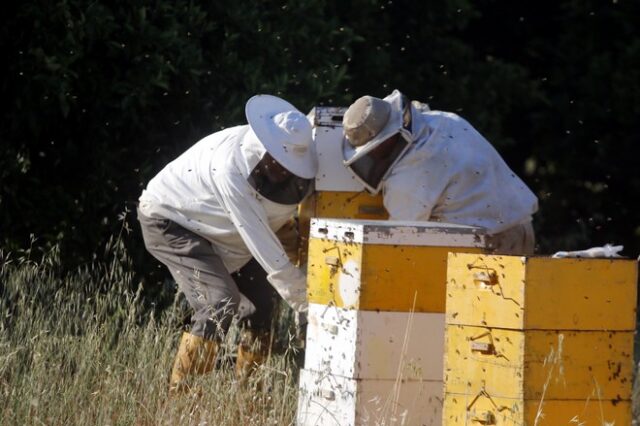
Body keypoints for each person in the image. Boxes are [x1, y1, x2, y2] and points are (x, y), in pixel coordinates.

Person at [137, 94, 315, 392]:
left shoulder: (294, 153)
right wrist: (305, 302)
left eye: (290, 166)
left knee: (263, 305)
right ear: (264, 148)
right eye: (278, 163)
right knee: (219, 301)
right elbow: (263, 244)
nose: (283, 171)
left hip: (228, 232)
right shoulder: (230, 169)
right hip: (173, 221)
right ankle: (183, 395)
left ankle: (247, 391)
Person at [341, 89, 538, 254]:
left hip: (489, 247)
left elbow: (399, 242)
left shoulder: (411, 175)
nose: (371, 156)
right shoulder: (444, 120)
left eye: (370, 149)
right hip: (519, 229)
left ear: (386, 139)